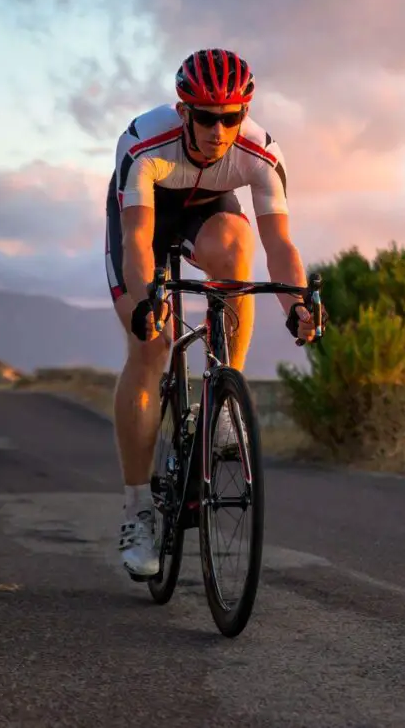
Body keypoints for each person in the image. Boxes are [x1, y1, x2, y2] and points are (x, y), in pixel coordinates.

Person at [105, 48, 323, 580]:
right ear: (184, 112)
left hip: (208, 211)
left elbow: (280, 243)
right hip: (146, 213)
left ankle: (225, 394)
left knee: (237, 250)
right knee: (150, 346)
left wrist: (296, 303)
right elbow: (135, 240)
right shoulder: (145, 143)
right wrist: (146, 300)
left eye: (232, 117)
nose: (219, 129)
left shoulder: (260, 152)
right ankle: (138, 513)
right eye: (206, 117)